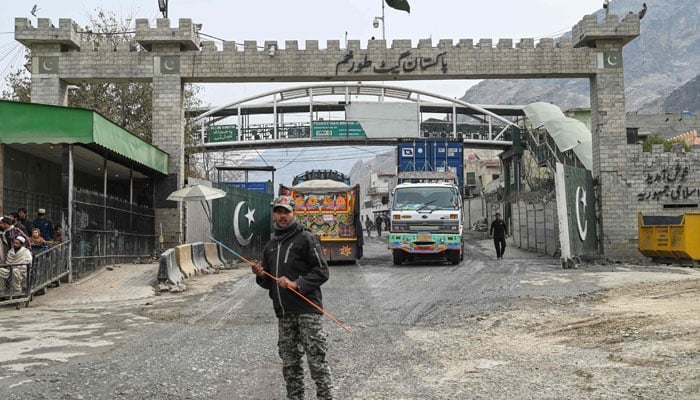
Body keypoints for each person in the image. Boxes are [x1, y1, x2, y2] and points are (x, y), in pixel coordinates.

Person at [251, 196, 333, 400]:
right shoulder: (270, 245)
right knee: (290, 365)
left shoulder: (306, 238)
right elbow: (268, 281)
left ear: (293, 213)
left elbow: (322, 271)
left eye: (286, 212)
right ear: (274, 214)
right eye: (279, 212)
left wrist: (297, 284)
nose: (282, 216)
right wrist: (261, 275)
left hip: (308, 311)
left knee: (317, 362)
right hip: (284, 314)